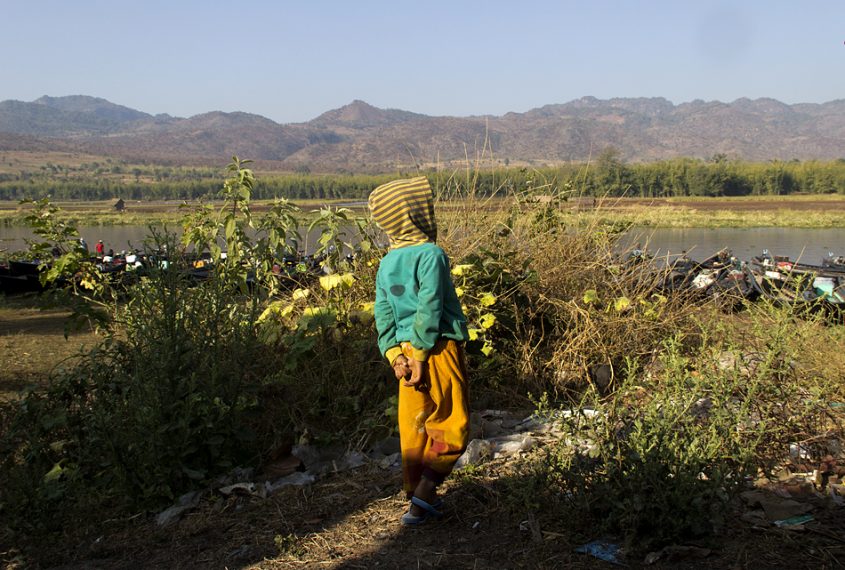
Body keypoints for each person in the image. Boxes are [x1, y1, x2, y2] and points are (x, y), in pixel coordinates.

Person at [368, 176, 469, 526]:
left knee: (415, 426)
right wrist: (421, 356)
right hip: (436, 349)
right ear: (415, 215)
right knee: (451, 422)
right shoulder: (431, 255)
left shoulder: (387, 263)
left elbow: (383, 312)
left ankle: (416, 498)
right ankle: (426, 491)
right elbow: (430, 306)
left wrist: (395, 354)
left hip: (405, 354)